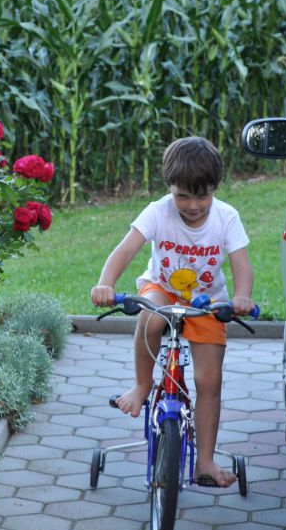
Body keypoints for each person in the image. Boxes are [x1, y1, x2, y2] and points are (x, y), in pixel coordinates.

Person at [91, 136, 255, 488]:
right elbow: (126, 249)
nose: (193, 205)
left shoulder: (227, 218)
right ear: (170, 188)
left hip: (207, 302)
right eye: (183, 195)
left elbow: (242, 265)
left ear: (215, 189)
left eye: (202, 195)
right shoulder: (158, 211)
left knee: (209, 382)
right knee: (150, 315)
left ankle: (205, 462)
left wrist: (242, 297)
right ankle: (142, 384)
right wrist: (106, 283)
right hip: (162, 288)